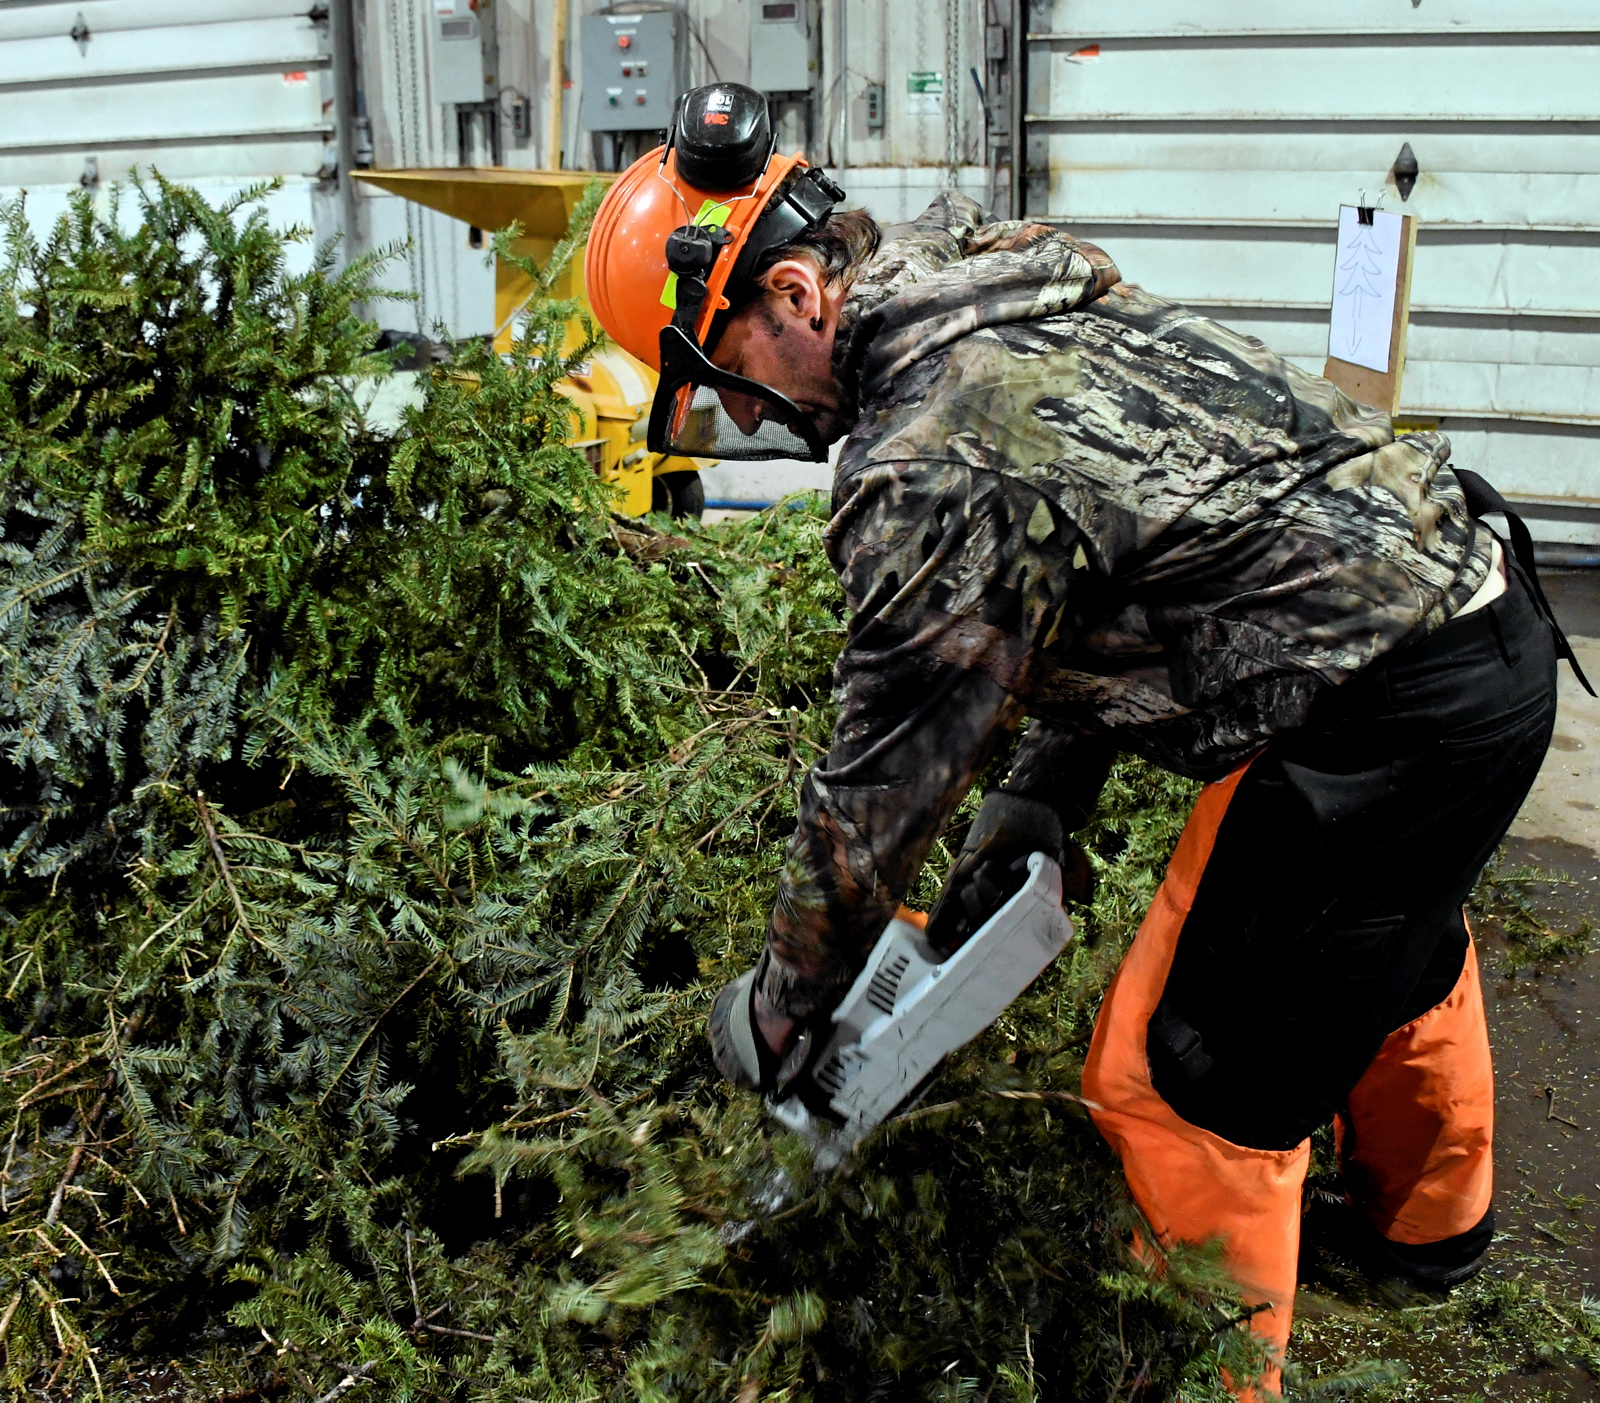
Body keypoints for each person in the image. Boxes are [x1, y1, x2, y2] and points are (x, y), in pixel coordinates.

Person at [585, 83, 1591, 1398]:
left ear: (793, 293)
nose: (752, 421)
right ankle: (1425, 1235)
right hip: (1468, 631)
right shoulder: (977, 281)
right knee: (1380, 933)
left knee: (1176, 1075)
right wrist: (1047, 782)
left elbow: (878, 786)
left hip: (1378, 706)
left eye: (727, 382)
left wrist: (784, 1008)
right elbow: (1130, 531)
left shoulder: (927, 462)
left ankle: (1197, 1368)